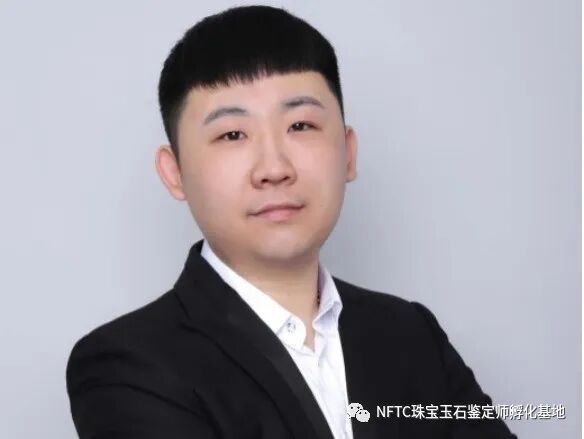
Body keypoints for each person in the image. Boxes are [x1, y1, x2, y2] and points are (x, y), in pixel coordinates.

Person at [65, 5, 518, 438]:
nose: (274, 168)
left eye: (301, 126)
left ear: (348, 154)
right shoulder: (127, 364)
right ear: (174, 173)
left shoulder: (410, 334)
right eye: (232, 134)